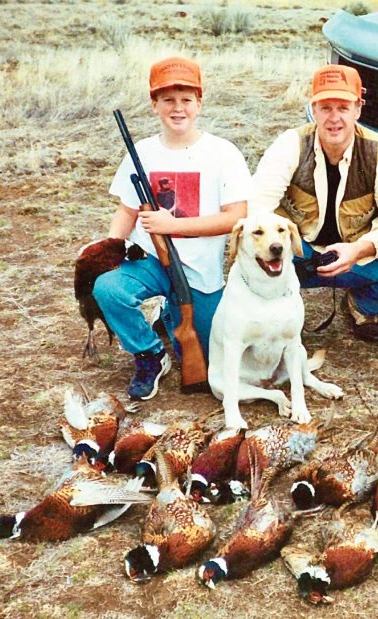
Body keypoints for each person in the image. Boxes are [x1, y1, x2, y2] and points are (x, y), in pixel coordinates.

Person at [93, 56, 251, 400]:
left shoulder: (223, 153)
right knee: (108, 288)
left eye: (186, 99)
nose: (177, 108)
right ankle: (150, 354)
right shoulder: (142, 152)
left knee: (206, 361)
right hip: (149, 260)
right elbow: (127, 210)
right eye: (168, 100)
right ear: (154, 105)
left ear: (199, 103)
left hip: (200, 272)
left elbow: (236, 217)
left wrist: (175, 224)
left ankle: (169, 314)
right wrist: (108, 250)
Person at [249, 64, 378, 343]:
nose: (334, 118)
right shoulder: (291, 143)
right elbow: (257, 207)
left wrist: (359, 249)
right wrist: (282, 245)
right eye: (326, 107)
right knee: (256, 253)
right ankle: (274, 312)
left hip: (356, 257)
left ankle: (360, 306)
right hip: (300, 253)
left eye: (343, 107)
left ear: (358, 109)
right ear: (313, 109)